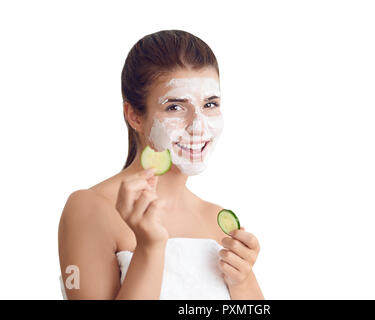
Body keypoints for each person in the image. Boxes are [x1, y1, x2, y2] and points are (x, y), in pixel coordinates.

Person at [58, 30, 264, 300]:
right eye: (175, 108)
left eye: (210, 104)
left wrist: (242, 280)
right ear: (135, 116)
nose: (199, 126)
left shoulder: (217, 220)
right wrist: (149, 248)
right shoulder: (90, 208)